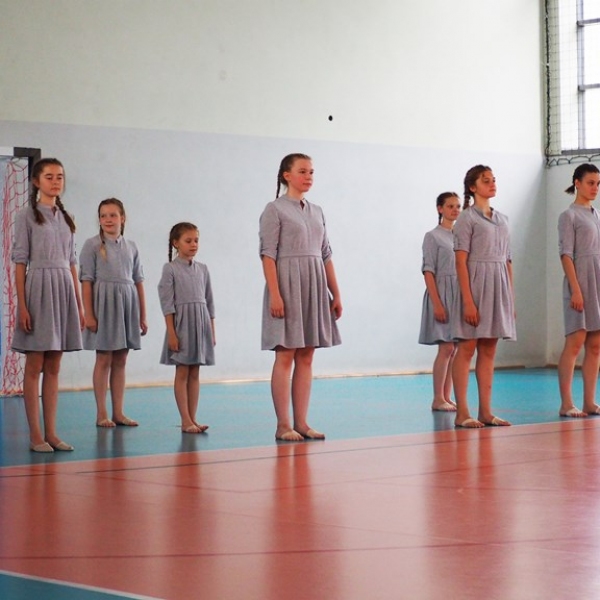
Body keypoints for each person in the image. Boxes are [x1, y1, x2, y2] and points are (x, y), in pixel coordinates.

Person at [259, 153, 342, 442]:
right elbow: (268, 255)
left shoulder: (317, 211)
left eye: (311, 172)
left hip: (314, 285)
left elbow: (325, 254)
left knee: (307, 355)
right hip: (287, 284)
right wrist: (275, 294)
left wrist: (335, 292)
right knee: (286, 354)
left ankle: (302, 422)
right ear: (287, 175)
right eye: (302, 171)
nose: (308, 177)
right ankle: (283, 425)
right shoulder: (274, 209)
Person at [11, 158, 84, 452]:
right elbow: (20, 263)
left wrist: (79, 304)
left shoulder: (67, 218)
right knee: (35, 364)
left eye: (60, 177)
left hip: (63, 289)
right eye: (50, 176)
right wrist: (23, 305)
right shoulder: (26, 216)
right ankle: (35, 436)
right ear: (36, 181)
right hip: (38, 289)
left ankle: (52, 433)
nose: (56, 182)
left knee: (54, 365)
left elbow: (72, 263)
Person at [452, 165, 516, 428]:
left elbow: (508, 260)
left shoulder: (503, 219)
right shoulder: (466, 219)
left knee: (489, 350)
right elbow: (460, 261)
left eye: (493, 180)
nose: (492, 184)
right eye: (486, 180)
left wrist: (509, 298)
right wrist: (468, 300)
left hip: (498, 285)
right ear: (472, 187)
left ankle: (486, 412)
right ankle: (462, 412)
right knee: (467, 348)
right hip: (476, 285)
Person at [80, 198, 148, 427]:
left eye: (113, 215)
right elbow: (86, 281)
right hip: (104, 305)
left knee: (121, 358)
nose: (108, 219)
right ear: (99, 220)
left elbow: (138, 281)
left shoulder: (132, 246)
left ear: (123, 218)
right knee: (104, 358)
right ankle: (102, 413)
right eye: (103, 216)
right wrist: (89, 314)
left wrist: (142, 315)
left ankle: (118, 412)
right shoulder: (91, 245)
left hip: (127, 305)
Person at [158, 222, 215, 434]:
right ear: (176, 243)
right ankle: (185, 420)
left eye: (196, 241)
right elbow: (167, 304)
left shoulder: (203, 269)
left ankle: (193, 418)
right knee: (182, 371)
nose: (193, 245)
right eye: (188, 241)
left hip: (200, 324)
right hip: (182, 325)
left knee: (195, 372)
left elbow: (209, 302)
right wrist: (172, 333)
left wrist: (211, 330)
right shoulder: (170, 269)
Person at [557, 163, 600, 418]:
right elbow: (565, 254)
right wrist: (575, 289)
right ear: (577, 183)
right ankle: (566, 403)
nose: (595, 188)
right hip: (580, 282)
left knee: (595, 346)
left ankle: (589, 402)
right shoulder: (569, 216)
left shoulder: (597, 214)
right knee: (575, 343)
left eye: (598, 183)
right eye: (590, 183)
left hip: (597, 282)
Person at [418, 192, 461, 411]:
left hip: (458, 294)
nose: (455, 210)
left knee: (455, 349)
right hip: (442, 293)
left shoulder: (460, 236)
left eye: (458, 206)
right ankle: (437, 398)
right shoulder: (432, 236)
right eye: (450, 206)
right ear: (440, 209)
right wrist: (437, 302)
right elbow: (428, 270)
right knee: (446, 347)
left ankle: (447, 395)